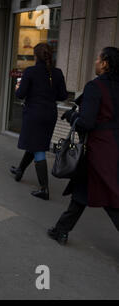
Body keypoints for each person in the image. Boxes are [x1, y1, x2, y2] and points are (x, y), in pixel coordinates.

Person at [48, 47, 119, 245]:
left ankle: (61, 230)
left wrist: (72, 115)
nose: (95, 62)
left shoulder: (95, 87)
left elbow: (86, 122)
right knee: (83, 189)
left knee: (112, 199)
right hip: (113, 146)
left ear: (104, 63)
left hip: (99, 149)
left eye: (98, 58)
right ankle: (61, 229)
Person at [10, 43, 68, 200]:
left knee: (39, 148)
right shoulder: (57, 73)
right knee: (36, 143)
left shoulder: (30, 72)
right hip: (50, 114)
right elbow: (63, 95)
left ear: (35, 56)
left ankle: (44, 189)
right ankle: (20, 170)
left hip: (34, 115)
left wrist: (17, 88)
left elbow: (21, 94)